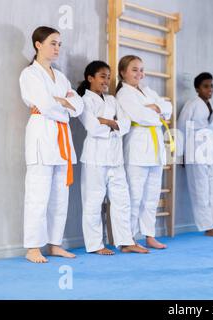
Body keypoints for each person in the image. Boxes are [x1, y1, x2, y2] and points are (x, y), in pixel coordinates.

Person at [19, 26, 84, 263]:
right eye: (52, 43)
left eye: (59, 44)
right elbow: (46, 106)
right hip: (41, 135)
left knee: (60, 195)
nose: (57, 48)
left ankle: (55, 244)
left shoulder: (62, 76)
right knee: (37, 194)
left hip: (62, 139)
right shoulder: (30, 74)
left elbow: (79, 106)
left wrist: (66, 103)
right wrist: (65, 105)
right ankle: (33, 247)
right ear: (38, 44)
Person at [77, 60, 150, 255]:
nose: (106, 81)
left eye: (109, 77)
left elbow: (125, 123)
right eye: (102, 76)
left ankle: (125, 241)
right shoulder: (84, 100)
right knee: (93, 202)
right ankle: (95, 245)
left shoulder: (111, 100)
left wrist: (107, 122)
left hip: (115, 159)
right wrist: (111, 123)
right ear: (90, 78)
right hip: (94, 159)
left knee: (122, 201)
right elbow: (92, 127)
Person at [116, 55, 174, 251]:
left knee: (151, 196)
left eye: (141, 69)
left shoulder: (148, 91)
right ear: (123, 72)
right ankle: (128, 239)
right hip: (138, 149)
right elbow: (141, 116)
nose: (139, 73)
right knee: (134, 196)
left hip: (156, 149)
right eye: (134, 69)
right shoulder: (124, 94)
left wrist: (158, 108)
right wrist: (158, 113)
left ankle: (149, 235)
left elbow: (169, 107)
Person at [178, 72, 213, 237]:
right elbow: (181, 128)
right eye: (205, 86)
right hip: (194, 152)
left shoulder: (212, 106)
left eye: (211, 86)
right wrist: (180, 155)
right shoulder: (192, 104)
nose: (210, 89)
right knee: (200, 190)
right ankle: (207, 226)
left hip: (208, 151)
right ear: (197, 88)